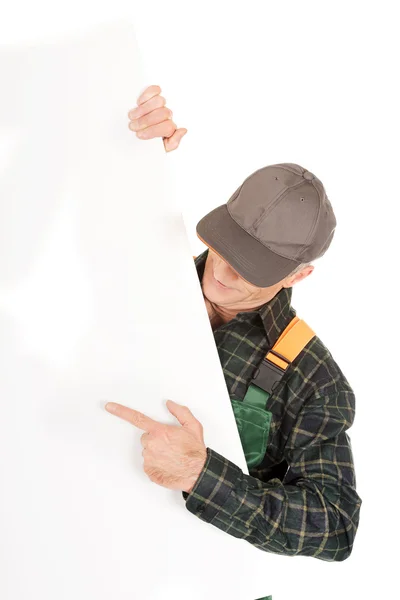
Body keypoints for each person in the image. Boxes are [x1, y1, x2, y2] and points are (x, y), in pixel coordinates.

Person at [105, 85, 361, 567]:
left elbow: (335, 526)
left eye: (250, 266)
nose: (219, 272)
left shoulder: (313, 379)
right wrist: (126, 157)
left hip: (188, 579)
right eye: (225, 245)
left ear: (298, 275)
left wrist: (203, 475)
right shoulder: (147, 264)